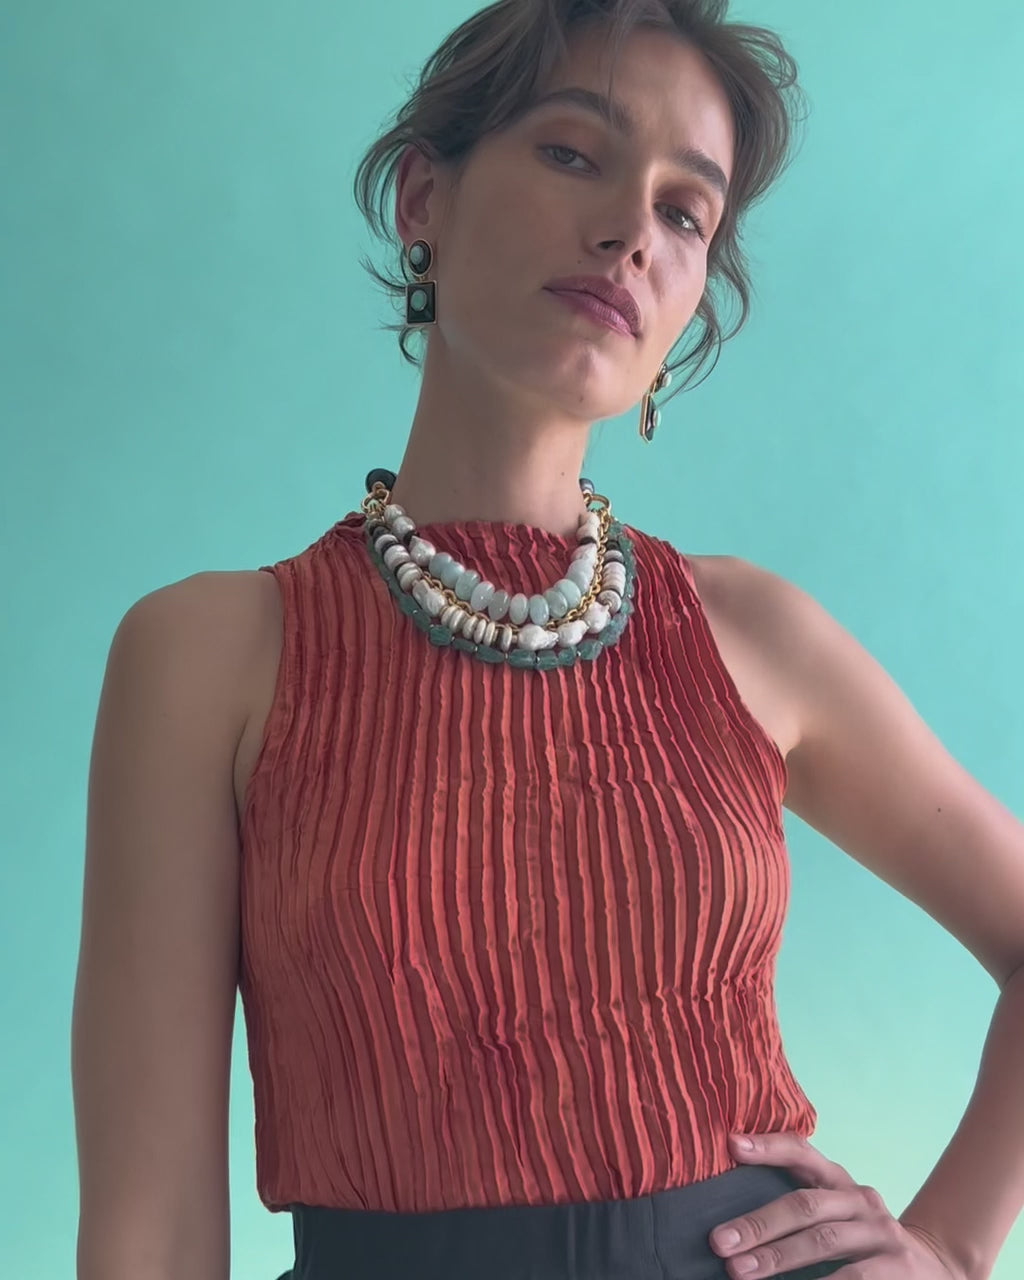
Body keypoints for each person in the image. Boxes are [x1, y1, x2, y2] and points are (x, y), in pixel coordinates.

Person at [74, 1, 856, 1277]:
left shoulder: (747, 631)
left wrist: (942, 1239)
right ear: (421, 197)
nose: (628, 232)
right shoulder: (209, 652)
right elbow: (148, 1226)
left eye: (683, 212)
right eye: (571, 153)